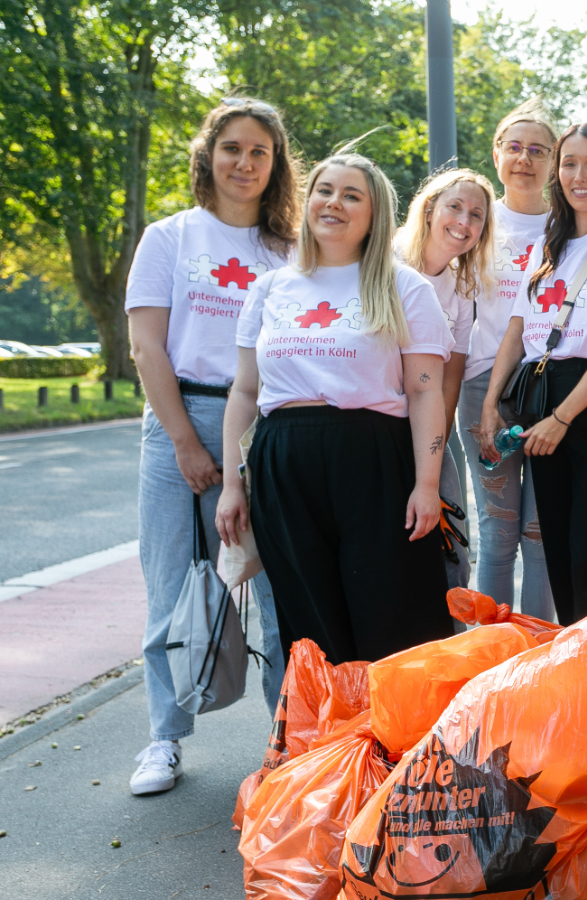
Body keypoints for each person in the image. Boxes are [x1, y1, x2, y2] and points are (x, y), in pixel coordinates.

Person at [217, 151, 455, 667]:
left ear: (375, 215)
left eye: (352, 196)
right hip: (284, 463)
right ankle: (330, 743)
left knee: (392, 613)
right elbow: (243, 392)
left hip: (374, 462)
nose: (334, 203)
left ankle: (396, 743)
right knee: (311, 626)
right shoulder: (269, 288)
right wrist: (234, 485)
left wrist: (428, 484)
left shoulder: (404, 287)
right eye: (325, 191)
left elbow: (424, 391)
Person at [125, 97, 297, 796]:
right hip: (180, 422)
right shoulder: (170, 238)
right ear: (208, 155)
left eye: (260, 151)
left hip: (266, 427)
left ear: (275, 165)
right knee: (172, 589)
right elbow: (145, 347)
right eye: (233, 148)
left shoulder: (290, 250)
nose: (245, 162)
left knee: (284, 595)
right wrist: (188, 445)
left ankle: (289, 741)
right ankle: (164, 738)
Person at [479, 123, 587, 623]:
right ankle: (570, 678)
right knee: (556, 551)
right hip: (538, 400)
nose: (580, 175)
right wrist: (491, 403)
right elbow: (516, 332)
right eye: (570, 163)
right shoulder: (545, 248)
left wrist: (563, 419)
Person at [458, 101, 558, 619]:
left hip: (549, 390)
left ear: (554, 159)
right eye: (514, 147)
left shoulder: (571, 224)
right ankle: (489, 659)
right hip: (482, 390)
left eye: (538, 150)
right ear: (496, 153)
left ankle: (538, 655)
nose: (525, 159)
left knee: (541, 535)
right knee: (498, 534)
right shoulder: (474, 222)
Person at [395, 168, 498, 592]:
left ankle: (449, 644)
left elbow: (450, 378)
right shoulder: (385, 262)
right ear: (429, 208)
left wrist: (430, 448)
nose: (464, 221)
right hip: (371, 423)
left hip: (425, 424)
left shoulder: (462, 286)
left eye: (476, 215)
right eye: (454, 206)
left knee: (452, 547)